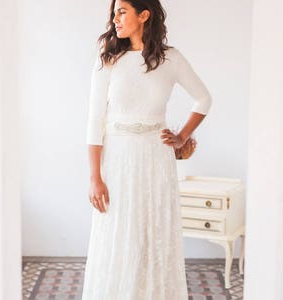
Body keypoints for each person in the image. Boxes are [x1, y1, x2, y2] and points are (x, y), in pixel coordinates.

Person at [82, 0, 212, 299]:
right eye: (113, 13)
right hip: (117, 161)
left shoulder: (171, 59)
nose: (115, 18)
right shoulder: (108, 61)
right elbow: (94, 120)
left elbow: (203, 99)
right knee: (117, 234)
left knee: (153, 231)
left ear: (144, 15)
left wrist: (182, 136)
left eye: (122, 11)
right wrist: (94, 176)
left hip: (155, 158)